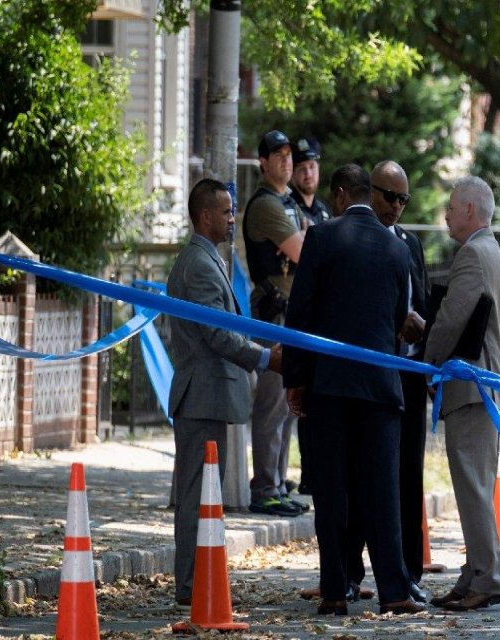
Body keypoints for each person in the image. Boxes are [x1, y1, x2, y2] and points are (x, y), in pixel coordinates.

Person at [283, 164, 424, 616]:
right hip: (381, 390)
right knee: (382, 491)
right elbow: (399, 323)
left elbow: (299, 314)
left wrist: (296, 380)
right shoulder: (398, 248)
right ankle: (395, 593)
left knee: (332, 492)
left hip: (329, 387)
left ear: (341, 195)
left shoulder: (321, 238)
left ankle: (333, 591)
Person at [167, 179, 282, 608]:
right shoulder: (198, 263)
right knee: (198, 497)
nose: (233, 218)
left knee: (205, 497)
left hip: (211, 397)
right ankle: (193, 585)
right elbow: (217, 334)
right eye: (228, 211)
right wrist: (266, 359)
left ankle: (201, 580)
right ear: (206, 216)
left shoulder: (207, 258)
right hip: (203, 397)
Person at [424, 176, 500, 612]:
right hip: (482, 388)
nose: (447, 215)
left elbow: (451, 321)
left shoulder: (472, 255)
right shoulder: (490, 251)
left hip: (471, 389)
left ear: (471, 211)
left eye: (453, 207)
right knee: (474, 485)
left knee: (473, 488)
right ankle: (473, 573)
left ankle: (488, 578)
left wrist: (426, 359)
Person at [370, 160, 431, 604]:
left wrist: (421, 332)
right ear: (370, 193)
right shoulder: (358, 241)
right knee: (370, 476)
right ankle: (355, 572)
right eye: (389, 196)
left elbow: (423, 299)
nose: (395, 206)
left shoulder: (411, 244)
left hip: (410, 372)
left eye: (403, 199)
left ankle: (410, 571)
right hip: (373, 374)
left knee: (409, 473)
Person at [242, 129, 306, 517]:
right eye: (277, 155)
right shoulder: (266, 204)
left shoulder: (288, 202)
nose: (286, 161)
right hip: (273, 316)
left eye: (289, 154)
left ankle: (279, 484)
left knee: (287, 404)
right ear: (263, 162)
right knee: (271, 403)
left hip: (290, 315)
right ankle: (264, 486)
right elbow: (303, 250)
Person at [289, 137, 331, 496]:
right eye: (301, 167)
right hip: (294, 312)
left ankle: (318, 471)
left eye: (312, 166)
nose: (307, 173)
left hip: (323, 314)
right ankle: (304, 473)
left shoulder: (325, 214)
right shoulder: (286, 208)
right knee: (299, 401)